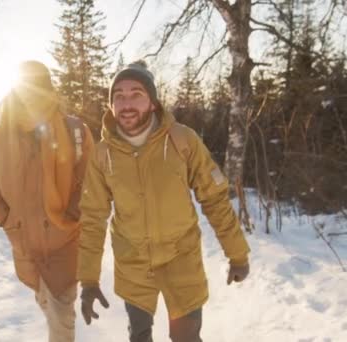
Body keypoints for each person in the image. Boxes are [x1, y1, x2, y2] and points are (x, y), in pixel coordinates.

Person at [76, 60, 251, 342]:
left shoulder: (182, 140)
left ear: (153, 103)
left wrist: (237, 254)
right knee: (139, 336)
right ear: (111, 106)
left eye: (136, 94)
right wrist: (88, 280)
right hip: (133, 262)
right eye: (118, 96)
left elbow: (214, 199)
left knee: (187, 337)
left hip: (181, 259)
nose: (126, 103)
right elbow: (92, 218)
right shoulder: (102, 154)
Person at [0, 60, 93, 342]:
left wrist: (72, 214)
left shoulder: (74, 130)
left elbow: (91, 178)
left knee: (61, 310)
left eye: (38, 85)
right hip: (24, 238)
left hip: (64, 237)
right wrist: (4, 216)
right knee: (46, 301)